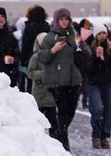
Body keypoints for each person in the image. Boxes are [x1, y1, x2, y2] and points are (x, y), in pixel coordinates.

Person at [38, 8, 92, 152]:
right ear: (56, 20)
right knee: (63, 110)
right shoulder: (50, 37)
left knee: (71, 110)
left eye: (66, 19)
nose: (64, 22)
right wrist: (53, 50)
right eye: (61, 19)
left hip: (73, 80)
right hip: (56, 80)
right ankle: (64, 141)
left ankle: (58, 133)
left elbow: (88, 55)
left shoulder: (74, 35)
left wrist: (82, 44)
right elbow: (42, 57)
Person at [83, 24, 111, 149]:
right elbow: (86, 67)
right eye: (100, 33)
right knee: (96, 109)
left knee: (107, 111)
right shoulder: (90, 48)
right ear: (95, 35)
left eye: (104, 33)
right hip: (94, 83)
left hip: (108, 82)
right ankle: (96, 135)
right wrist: (96, 59)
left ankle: (104, 136)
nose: (102, 36)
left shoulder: (110, 46)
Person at [28, 32, 58, 141]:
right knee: (38, 121)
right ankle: (38, 141)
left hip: (51, 94)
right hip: (39, 94)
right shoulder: (36, 57)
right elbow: (30, 73)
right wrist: (44, 74)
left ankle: (55, 142)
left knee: (53, 122)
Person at [20, 5, 50, 94]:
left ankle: (31, 98)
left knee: (31, 79)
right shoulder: (47, 26)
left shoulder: (29, 27)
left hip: (31, 57)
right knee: (44, 80)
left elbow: (25, 45)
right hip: (45, 56)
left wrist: (23, 60)